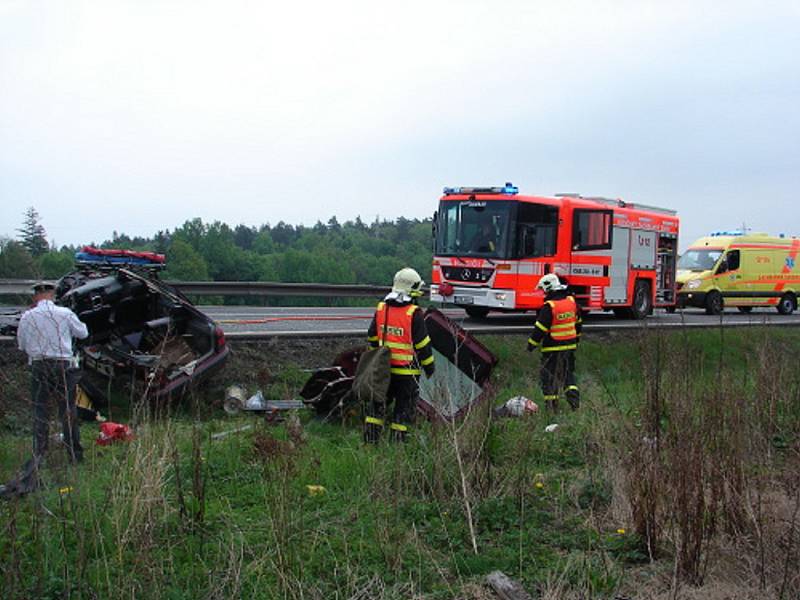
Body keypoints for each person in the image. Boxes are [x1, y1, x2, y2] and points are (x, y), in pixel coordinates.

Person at [17, 281, 89, 464]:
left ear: (35, 296)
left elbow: (22, 345)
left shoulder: (27, 316)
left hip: (39, 365)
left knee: (40, 410)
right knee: (67, 409)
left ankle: (39, 455)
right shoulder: (65, 313)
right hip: (63, 365)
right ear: (53, 294)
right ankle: (74, 455)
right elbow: (83, 333)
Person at [365, 268, 435, 442]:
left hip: (383, 370)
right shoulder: (414, 313)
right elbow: (422, 345)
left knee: (377, 407)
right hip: (407, 373)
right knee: (403, 410)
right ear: (411, 290)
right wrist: (429, 367)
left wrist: (376, 354)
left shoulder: (382, 308)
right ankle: (398, 446)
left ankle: (370, 442)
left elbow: (372, 335)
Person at [526, 274, 581, 411]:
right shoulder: (572, 302)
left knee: (549, 378)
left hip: (552, 350)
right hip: (570, 347)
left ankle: (552, 408)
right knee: (568, 376)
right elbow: (578, 323)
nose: (543, 293)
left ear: (548, 288)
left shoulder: (549, 307)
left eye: (543, 290)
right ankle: (575, 404)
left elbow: (540, 329)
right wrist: (576, 339)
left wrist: (531, 345)